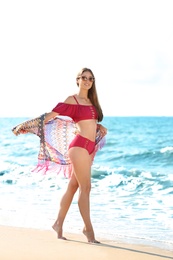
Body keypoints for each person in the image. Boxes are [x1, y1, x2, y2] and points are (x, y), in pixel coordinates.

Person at [12, 67, 107, 243]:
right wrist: (25, 124)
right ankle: (88, 230)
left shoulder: (92, 102)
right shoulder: (72, 100)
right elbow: (50, 116)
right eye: (84, 77)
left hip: (90, 149)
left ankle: (58, 223)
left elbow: (88, 123)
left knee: (73, 187)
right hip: (78, 148)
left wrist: (99, 127)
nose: (87, 81)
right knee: (85, 188)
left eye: (90, 78)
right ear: (77, 79)